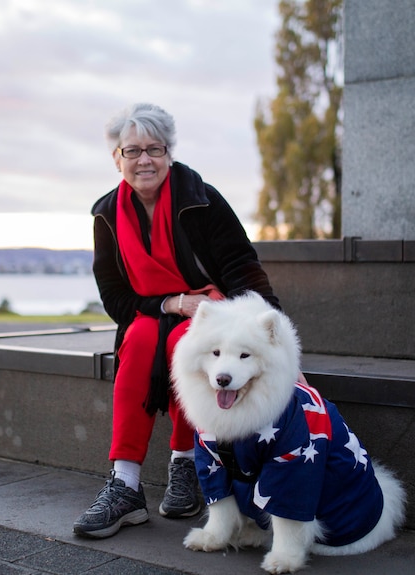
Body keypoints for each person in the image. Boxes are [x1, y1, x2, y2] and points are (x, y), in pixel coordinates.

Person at [73, 102, 280, 539]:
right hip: (155, 310)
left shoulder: (201, 198)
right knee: (140, 340)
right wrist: (169, 303)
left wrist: (270, 320)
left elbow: (241, 263)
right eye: (132, 151)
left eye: (154, 148)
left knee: (187, 344)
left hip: (211, 311)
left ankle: (186, 463)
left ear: (169, 153)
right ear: (117, 159)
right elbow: (115, 297)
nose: (144, 159)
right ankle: (125, 484)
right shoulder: (106, 216)